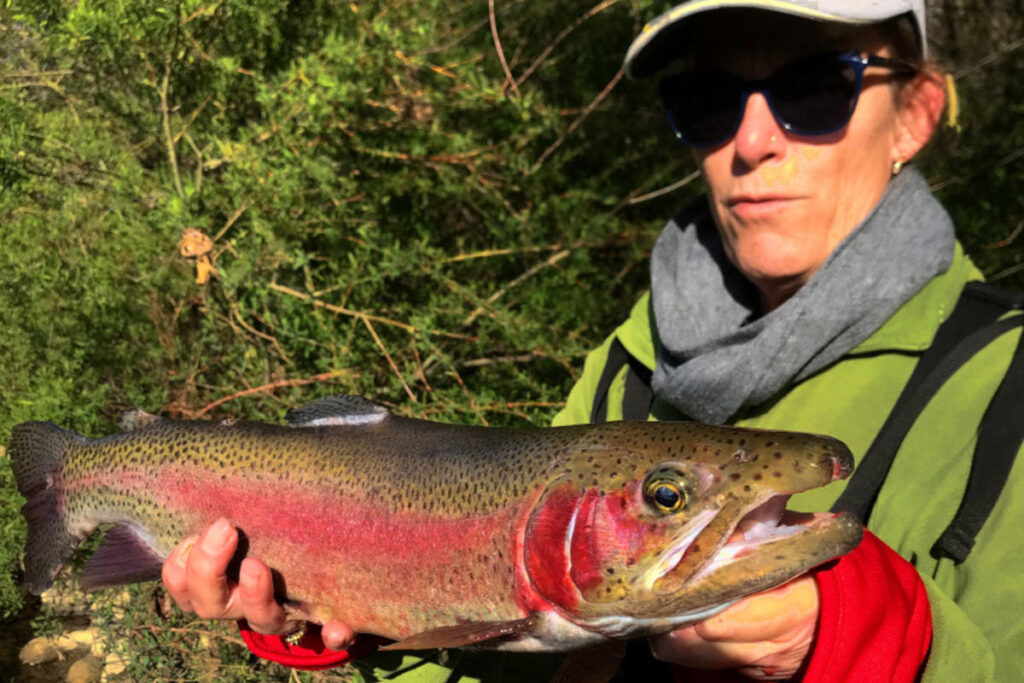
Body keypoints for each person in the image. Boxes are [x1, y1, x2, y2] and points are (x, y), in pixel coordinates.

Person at [160, 1, 1024, 680]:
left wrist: (862, 639)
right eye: (708, 100)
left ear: (916, 114)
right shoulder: (631, 360)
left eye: (814, 91)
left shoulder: (1005, 385)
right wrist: (330, 610)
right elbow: (503, 645)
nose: (753, 142)